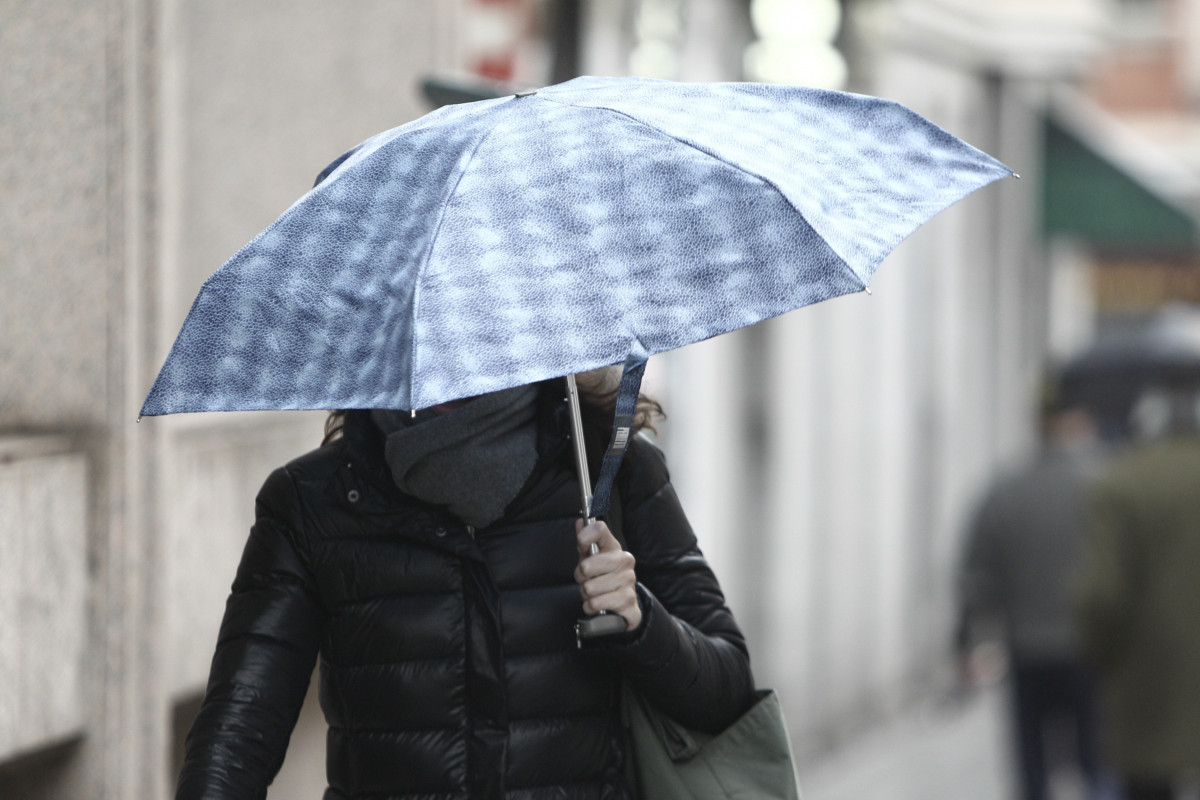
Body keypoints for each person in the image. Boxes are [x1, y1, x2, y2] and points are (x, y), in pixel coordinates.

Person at [173, 374, 756, 800]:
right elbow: (242, 721)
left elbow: (727, 689)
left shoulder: (612, 476)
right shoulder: (312, 502)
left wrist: (641, 622)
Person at [955, 401, 1107, 800]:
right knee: (1097, 760)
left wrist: (966, 641)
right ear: (1080, 422)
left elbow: (977, 575)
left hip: (1028, 649)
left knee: (1032, 766)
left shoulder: (1006, 490)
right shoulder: (1105, 487)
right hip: (1089, 648)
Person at [1075, 385, 1200, 800]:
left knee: (1150, 782)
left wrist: (1101, 652)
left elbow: (1102, 593)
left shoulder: (1122, 482)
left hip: (1148, 676)